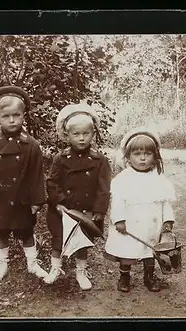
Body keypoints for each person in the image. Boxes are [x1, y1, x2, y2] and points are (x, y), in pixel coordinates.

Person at [0, 86, 48, 283]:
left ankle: (32, 263)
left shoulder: (31, 145)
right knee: (0, 230)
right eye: (6, 116)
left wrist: (37, 200)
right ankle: (2, 263)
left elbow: (36, 175)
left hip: (21, 198)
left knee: (26, 230)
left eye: (16, 115)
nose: (12, 120)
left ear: (24, 115)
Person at [44, 103, 111, 290]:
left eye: (86, 134)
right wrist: (58, 203)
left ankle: (81, 271)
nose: (81, 138)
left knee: (82, 241)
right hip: (63, 210)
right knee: (59, 239)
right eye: (76, 134)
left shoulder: (100, 160)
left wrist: (98, 210)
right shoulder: (61, 158)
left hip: (86, 210)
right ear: (67, 135)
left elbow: (104, 187)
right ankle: (55, 268)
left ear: (93, 134)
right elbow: (52, 182)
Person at [104, 127, 176, 292]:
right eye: (137, 154)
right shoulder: (122, 180)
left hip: (151, 224)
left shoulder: (159, 180)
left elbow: (166, 203)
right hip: (130, 224)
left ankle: (149, 276)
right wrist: (119, 220)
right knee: (126, 250)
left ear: (155, 156)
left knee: (149, 250)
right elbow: (118, 202)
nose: (142, 158)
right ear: (128, 157)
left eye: (147, 154)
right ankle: (124, 277)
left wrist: (167, 222)